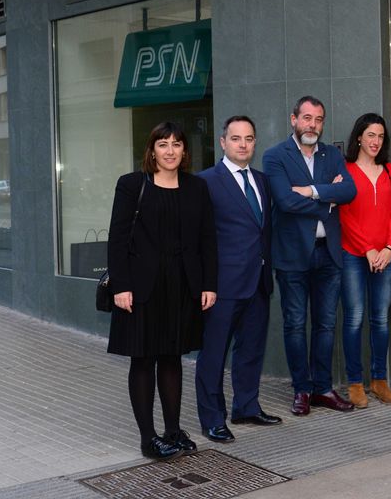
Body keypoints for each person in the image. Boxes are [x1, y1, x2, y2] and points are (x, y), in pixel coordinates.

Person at [107, 121, 217, 460]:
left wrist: (209, 284)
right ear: (152, 150)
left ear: (185, 150)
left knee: (172, 357)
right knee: (143, 360)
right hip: (141, 288)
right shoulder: (132, 185)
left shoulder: (196, 187)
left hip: (182, 286)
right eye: (163, 144)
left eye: (176, 144)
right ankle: (148, 439)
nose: (170, 151)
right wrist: (121, 286)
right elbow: (117, 238)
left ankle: (172, 430)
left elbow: (207, 240)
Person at [263, 95, 357, 416]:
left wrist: (311, 190)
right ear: (294, 120)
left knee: (326, 325)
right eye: (306, 118)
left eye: (318, 120)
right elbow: (285, 201)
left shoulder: (332, 154)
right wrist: (328, 198)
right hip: (292, 256)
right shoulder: (275, 156)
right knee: (295, 324)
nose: (312, 125)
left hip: (327, 254)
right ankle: (302, 389)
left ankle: (323, 389)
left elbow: (349, 191)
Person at [195, 116, 280, 444]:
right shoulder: (206, 182)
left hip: (258, 281)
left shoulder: (262, 180)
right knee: (214, 355)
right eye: (236, 138)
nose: (243, 144)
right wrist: (205, 283)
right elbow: (199, 239)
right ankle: (212, 419)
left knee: (251, 350)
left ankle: (246, 406)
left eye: (249, 138)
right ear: (222, 142)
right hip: (222, 286)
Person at [341, 113, 391, 408]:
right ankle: (355, 383)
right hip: (353, 255)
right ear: (359, 137)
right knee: (354, 318)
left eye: (380, 136)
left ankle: (379, 380)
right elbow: (345, 215)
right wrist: (367, 248)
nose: (375, 141)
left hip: (386, 255)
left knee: (380, 318)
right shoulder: (345, 170)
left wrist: (390, 247)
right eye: (370, 135)